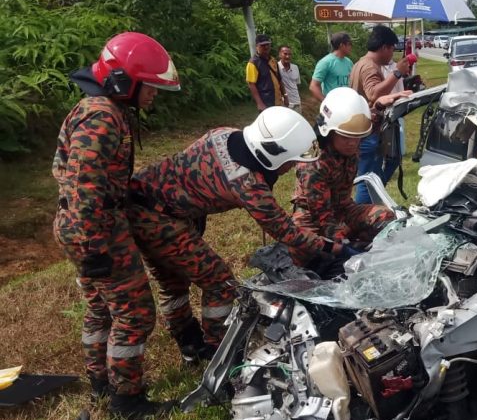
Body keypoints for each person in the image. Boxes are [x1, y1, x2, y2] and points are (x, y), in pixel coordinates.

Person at [127, 107, 339, 363]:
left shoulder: (225, 134)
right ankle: (220, 352)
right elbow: (285, 230)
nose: (292, 166)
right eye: (291, 160)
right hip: (158, 218)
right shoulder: (248, 183)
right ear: (272, 154)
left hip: (146, 201)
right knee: (220, 283)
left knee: (173, 284)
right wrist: (333, 248)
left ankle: (189, 343)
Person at [52, 32, 180, 420]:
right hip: (96, 227)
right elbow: (83, 184)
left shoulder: (99, 106)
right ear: (124, 82)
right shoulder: (103, 117)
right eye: (150, 87)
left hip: (81, 225)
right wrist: (95, 246)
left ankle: (100, 382)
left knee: (99, 308)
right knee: (135, 313)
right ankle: (128, 400)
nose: (154, 95)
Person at [292, 88, 395, 259]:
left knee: (385, 217)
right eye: (346, 137)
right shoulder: (313, 164)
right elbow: (322, 217)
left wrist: (378, 106)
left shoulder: (349, 137)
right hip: (312, 217)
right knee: (304, 247)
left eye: (357, 137)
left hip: (344, 208)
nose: (353, 143)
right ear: (329, 133)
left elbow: (368, 121)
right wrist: (342, 243)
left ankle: (361, 248)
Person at [349, 25, 412, 203]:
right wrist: (397, 73)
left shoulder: (360, 63)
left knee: (375, 176)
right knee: (368, 180)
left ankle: (375, 204)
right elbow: (374, 94)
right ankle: (363, 214)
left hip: (365, 130)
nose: (392, 54)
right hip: (368, 131)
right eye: (392, 49)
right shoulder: (370, 67)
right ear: (384, 47)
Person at [309, 32, 354, 102]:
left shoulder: (349, 62)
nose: (351, 47)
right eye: (349, 44)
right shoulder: (325, 62)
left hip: (347, 106)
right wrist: (326, 103)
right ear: (341, 45)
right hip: (332, 107)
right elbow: (313, 86)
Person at [246, 34, 285, 111]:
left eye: (267, 44)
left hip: (278, 102)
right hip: (266, 104)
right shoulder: (253, 63)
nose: (266, 47)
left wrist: (285, 95)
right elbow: (251, 84)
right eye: (263, 45)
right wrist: (260, 103)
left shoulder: (273, 60)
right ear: (257, 46)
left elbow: (279, 80)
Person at [278, 46, 302, 113]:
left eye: (289, 54)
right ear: (280, 54)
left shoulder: (295, 67)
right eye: (285, 54)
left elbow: (297, 84)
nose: (287, 56)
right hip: (283, 104)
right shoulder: (276, 67)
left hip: (296, 103)